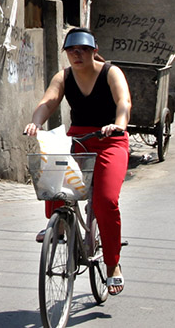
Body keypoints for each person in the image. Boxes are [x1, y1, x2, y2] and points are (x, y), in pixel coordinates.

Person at [24, 27, 131, 296]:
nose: (77, 55)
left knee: (105, 201)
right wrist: (36, 122)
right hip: (79, 140)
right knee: (53, 167)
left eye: (83, 49)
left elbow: (124, 102)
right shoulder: (64, 76)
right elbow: (49, 101)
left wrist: (118, 125)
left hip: (110, 140)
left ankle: (112, 265)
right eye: (72, 50)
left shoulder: (110, 72)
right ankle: (58, 224)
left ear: (94, 51)